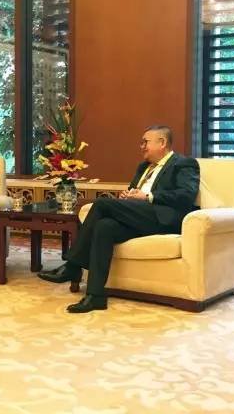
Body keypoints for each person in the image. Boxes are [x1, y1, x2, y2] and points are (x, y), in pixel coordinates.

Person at [39, 125, 200, 313]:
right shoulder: (144, 167)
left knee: (102, 204)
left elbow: (186, 195)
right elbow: (135, 192)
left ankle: (73, 265)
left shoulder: (184, 163)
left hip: (162, 218)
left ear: (162, 142)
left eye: (145, 142)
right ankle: (96, 296)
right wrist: (128, 196)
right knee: (104, 227)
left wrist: (148, 196)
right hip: (140, 216)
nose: (141, 146)